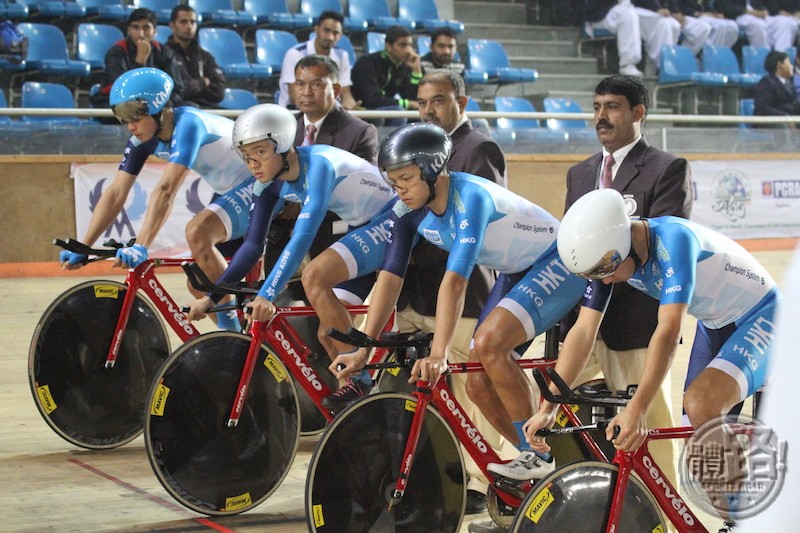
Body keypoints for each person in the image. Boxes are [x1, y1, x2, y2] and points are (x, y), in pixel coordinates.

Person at [327, 123, 587, 482]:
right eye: (392, 180)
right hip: (515, 272)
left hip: (557, 263)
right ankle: (537, 459)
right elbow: (390, 276)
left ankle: (538, 455)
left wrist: (439, 353)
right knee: (479, 385)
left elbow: (454, 282)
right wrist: (365, 349)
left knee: (490, 344)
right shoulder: (407, 209)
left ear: (434, 170)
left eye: (406, 178)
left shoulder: (471, 200)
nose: (398, 189)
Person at [524, 188, 778, 526]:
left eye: (606, 270)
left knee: (702, 404)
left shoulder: (675, 240)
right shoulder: (611, 254)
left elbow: (669, 331)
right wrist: (549, 406)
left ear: (623, 241)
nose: (606, 279)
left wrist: (638, 408)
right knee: (703, 460)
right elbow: (584, 331)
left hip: (763, 315)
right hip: (717, 323)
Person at [186, 104, 396, 373]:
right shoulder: (267, 183)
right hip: (361, 227)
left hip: (390, 219)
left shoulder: (319, 166)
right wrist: (212, 298)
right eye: (247, 156)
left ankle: (360, 383)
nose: (253, 165)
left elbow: (303, 237)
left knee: (315, 280)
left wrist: (267, 295)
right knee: (328, 334)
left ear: (283, 143)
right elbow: (252, 246)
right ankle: (355, 393)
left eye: (260, 152)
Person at [559, 74, 692, 489]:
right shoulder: (580, 175)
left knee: (648, 426)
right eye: (597, 107)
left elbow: (660, 246)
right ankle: (596, 502)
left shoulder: (666, 169)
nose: (602, 116)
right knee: (565, 414)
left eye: (612, 107)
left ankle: (666, 513)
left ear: (638, 112)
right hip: (584, 320)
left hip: (636, 325)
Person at [61, 67, 252, 332]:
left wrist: (141, 246)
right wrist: (84, 245)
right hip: (232, 188)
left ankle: (238, 334)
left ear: (157, 109)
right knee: (198, 282)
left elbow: (166, 190)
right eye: (122, 117)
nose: (130, 126)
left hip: (258, 185)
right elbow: (116, 192)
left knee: (198, 232)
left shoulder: (189, 124)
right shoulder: (144, 138)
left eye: (134, 116)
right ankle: (239, 335)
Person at [400, 69, 509, 516]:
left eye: (439, 101)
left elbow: (479, 227)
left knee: (470, 390)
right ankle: (442, 468)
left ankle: (483, 478)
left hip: (465, 290)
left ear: (461, 104)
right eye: (423, 102)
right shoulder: (411, 146)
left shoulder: (478, 147)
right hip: (417, 291)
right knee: (431, 391)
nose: (428, 110)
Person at [91, 8, 184, 110]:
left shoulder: (164, 52)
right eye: (136, 27)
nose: (141, 34)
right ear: (128, 30)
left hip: (157, 104)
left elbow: (177, 88)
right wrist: (140, 59)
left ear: (155, 31)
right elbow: (124, 90)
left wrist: (159, 104)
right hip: (120, 104)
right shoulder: (117, 52)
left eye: (146, 28)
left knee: (189, 107)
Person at [278, 10, 357, 110]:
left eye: (335, 33)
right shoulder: (295, 54)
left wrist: (350, 105)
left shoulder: (342, 56)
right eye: (326, 30)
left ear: (340, 36)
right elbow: (295, 97)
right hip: (295, 113)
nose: (330, 37)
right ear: (316, 29)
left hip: (328, 113)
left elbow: (345, 91)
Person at [583, 0, 680, 76]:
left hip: (628, 9)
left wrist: (656, 9)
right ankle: (627, 64)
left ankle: (658, 64)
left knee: (661, 20)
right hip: (602, 13)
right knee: (628, 15)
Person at [351, 25, 421, 124]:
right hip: (361, 109)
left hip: (384, 108)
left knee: (419, 115)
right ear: (388, 46)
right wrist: (407, 103)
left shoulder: (403, 66)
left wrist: (416, 72)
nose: (408, 50)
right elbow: (372, 100)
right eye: (402, 45)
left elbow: (413, 99)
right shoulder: (367, 62)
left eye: (410, 45)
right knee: (398, 112)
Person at [164, 4, 225, 109]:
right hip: (180, 111)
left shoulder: (206, 56)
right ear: (172, 26)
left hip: (209, 110)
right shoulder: (164, 55)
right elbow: (177, 92)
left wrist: (192, 89)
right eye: (183, 22)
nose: (189, 26)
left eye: (193, 22)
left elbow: (219, 93)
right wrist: (203, 82)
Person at [714, 0, 799, 51]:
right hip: (740, 15)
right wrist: (748, 12)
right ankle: (764, 60)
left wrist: (764, 10)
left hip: (761, 15)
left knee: (785, 23)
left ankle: (780, 58)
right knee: (758, 25)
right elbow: (721, 5)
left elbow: (768, 4)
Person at [754, 50, 800, 119]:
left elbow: (795, 105)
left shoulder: (789, 83)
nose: (792, 66)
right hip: (772, 123)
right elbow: (762, 107)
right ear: (780, 64)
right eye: (789, 63)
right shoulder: (766, 82)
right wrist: (785, 117)